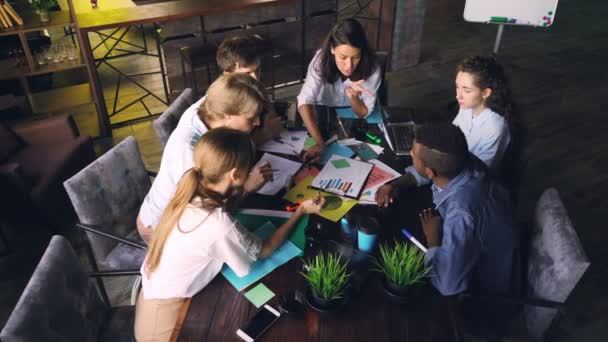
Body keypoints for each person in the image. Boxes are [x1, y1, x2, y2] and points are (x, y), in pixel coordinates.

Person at [134, 127, 324, 341]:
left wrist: (245, 191)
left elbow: (221, 210)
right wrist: (301, 211)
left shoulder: (189, 187)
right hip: (167, 322)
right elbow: (265, 249)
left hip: (151, 294)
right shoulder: (217, 224)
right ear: (235, 174)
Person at [137, 73, 273, 243]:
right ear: (227, 114)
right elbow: (205, 214)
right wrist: (246, 188)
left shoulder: (210, 105)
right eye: (251, 118)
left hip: (189, 207)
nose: (258, 123)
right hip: (163, 227)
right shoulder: (190, 153)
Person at [394, 123, 519, 297]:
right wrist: (395, 185)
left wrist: (433, 238)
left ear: (431, 172)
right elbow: (428, 172)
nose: (410, 154)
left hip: (484, 288)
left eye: (413, 154)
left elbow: (447, 284)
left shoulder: (461, 214)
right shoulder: (465, 161)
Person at [297, 18, 381, 162]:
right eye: (343, 57)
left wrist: (353, 97)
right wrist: (319, 143)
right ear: (332, 48)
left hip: (353, 118)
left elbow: (364, 113)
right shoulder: (320, 61)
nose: (349, 66)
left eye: (356, 57)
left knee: (364, 160)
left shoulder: (372, 68)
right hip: (323, 112)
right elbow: (304, 101)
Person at [452, 55, 516, 170]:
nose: (458, 96)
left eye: (466, 90)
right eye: (457, 87)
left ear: (485, 93)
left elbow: (479, 172)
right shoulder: (467, 105)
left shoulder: (495, 127)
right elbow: (453, 134)